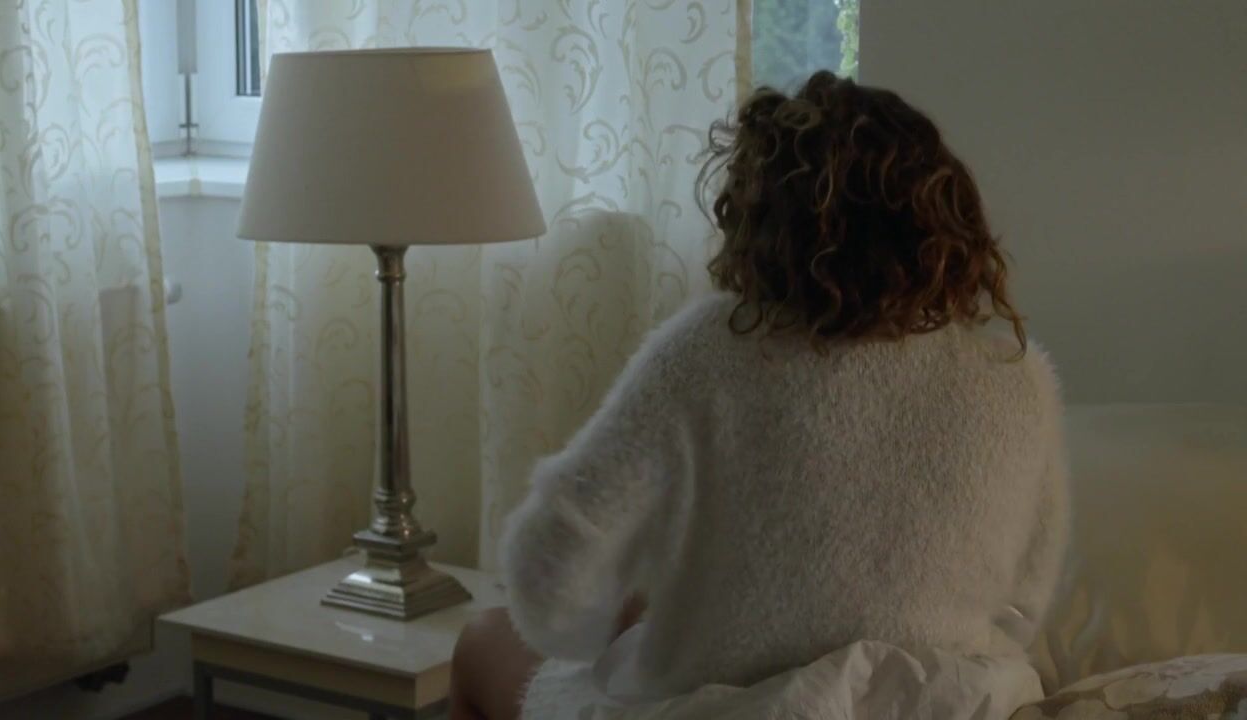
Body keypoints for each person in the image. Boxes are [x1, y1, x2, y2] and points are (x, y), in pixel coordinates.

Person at [449, 70, 1068, 720]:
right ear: (944, 218)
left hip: (739, 708)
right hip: (945, 703)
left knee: (481, 640)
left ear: (761, 218)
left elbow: (549, 572)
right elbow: (1025, 603)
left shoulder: (707, 351)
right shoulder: (1015, 377)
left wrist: (617, 622)